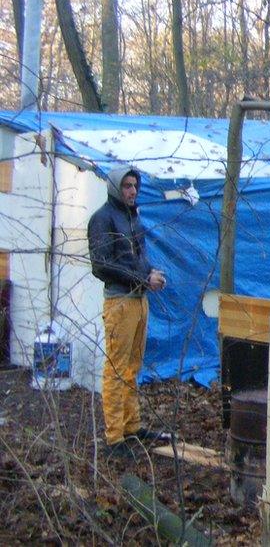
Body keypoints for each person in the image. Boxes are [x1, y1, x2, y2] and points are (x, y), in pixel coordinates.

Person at [87, 166, 169, 459]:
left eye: (134, 186)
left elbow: (139, 258)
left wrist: (151, 274)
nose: (132, 191)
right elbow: (102, 265)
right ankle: (114, 437)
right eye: (126, 186)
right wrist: (142, 279)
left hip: (139, 301)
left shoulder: (133, 217)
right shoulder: (102, 219)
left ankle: (132, 426)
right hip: (120, 302)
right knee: (116, 368)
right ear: (114, 188)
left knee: (133, 365)